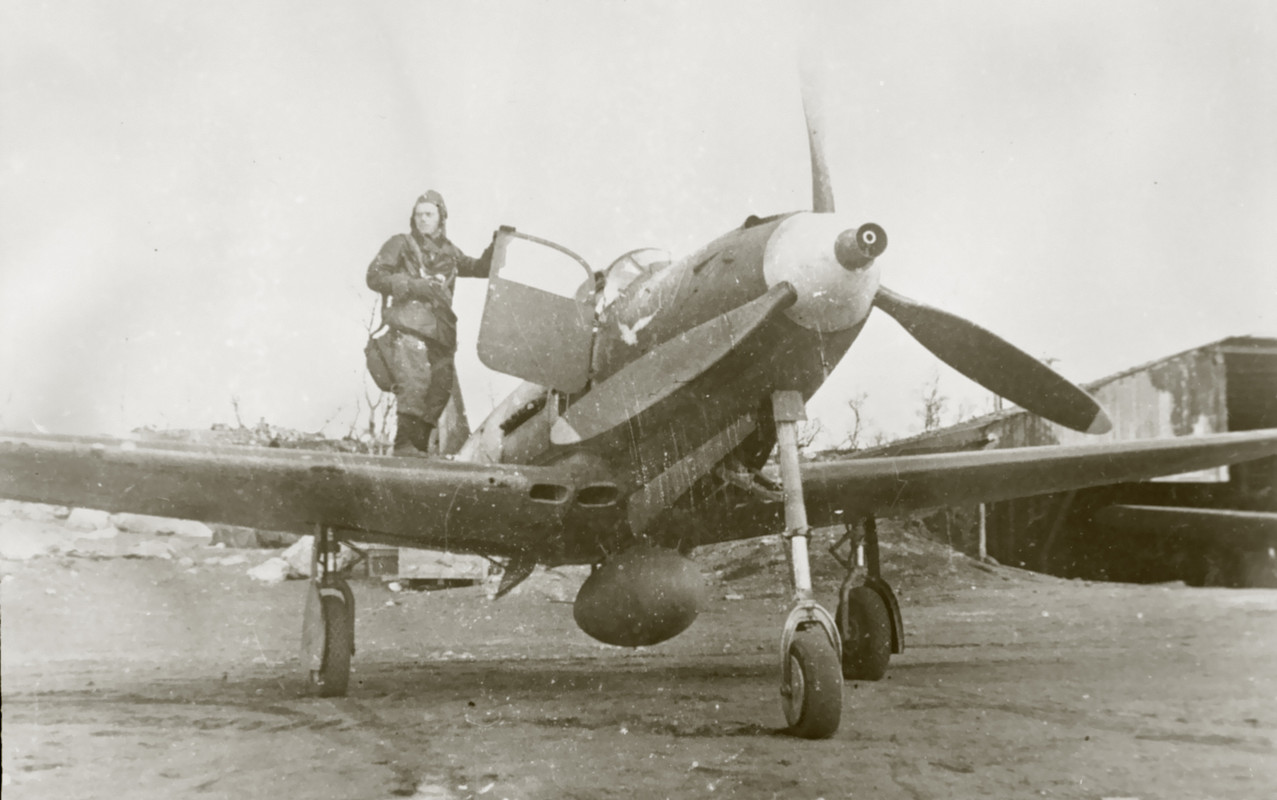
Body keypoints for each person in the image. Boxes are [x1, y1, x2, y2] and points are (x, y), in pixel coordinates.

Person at [367, 190, 493, 457]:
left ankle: (419, 448)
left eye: (429, 214)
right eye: (418, 214)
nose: (423, 219)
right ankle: (404, 445)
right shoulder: (400, 243)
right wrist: (414, 285)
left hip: (441, 332)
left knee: (440, 388)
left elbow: (480, 268)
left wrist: (497, 245)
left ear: (441, 217)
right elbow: (375, 276)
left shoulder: (449, 252)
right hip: (409, 325)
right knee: (415, 381)